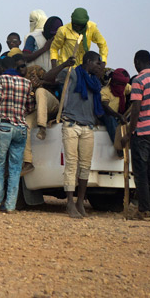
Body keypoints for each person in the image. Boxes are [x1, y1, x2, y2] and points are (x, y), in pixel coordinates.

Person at [56, 51, 103, 218]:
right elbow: (50, 77)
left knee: (85, 166)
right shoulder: (72, 73)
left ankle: (79, 202)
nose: (99, 66)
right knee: (71, 164)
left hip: (88, 126)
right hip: (71, 124)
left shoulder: (95, 81)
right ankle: (70, 203)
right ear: (88, 61)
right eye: (98, 63)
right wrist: (64, 64)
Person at [122, 50, 150, 221]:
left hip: (142, 131)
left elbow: (135, 109)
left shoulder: (138, 81)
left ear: (137, 62)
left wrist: (128, 133)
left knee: (140, 172)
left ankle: (142, 210)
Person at [0, 57, 35, 213]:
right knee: (15, 168)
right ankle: (10, 206)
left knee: (0, 163)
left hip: (4, 126)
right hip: (21, 128)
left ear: (2, 67)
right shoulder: (26, 83)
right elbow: (30, 106)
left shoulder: (0, 79)